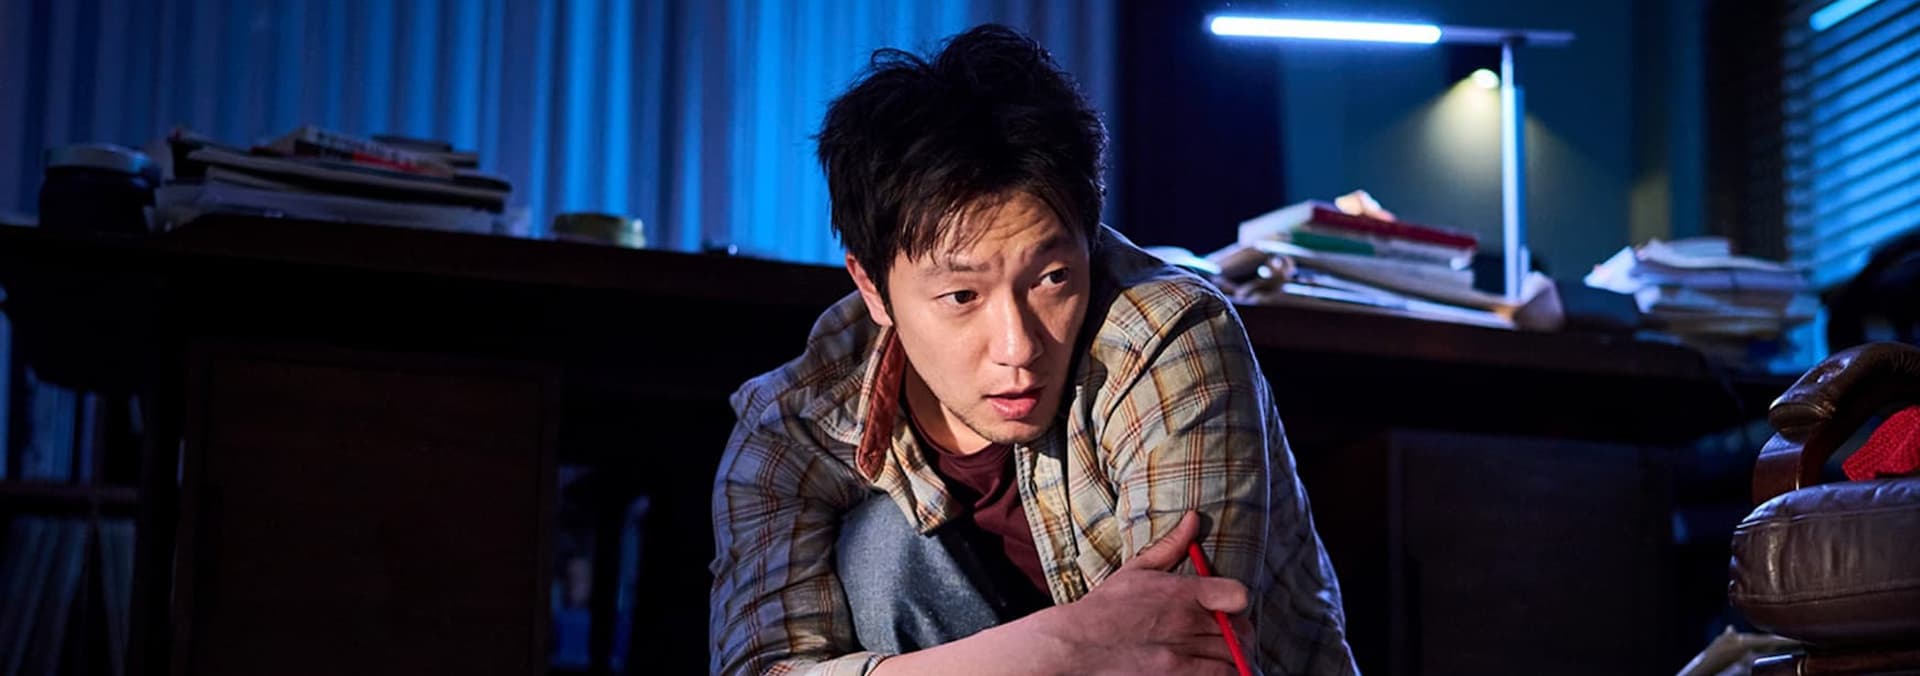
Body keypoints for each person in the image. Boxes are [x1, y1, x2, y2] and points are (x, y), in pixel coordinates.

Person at [710, 24, 1356, 676]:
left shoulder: (1163, 335)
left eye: (1052, 279)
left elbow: (1189, 654)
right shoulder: (799, 420)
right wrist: (1063, 644)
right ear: (872, 287)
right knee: (882, 550)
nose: (1018, 347)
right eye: (962, 296)